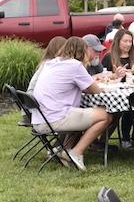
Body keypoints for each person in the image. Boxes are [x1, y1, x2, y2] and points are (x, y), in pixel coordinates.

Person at [30, 37, 114, 170]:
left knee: (81, 112)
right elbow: (95, 90)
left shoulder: (52, 63)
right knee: (105, 115)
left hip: (40, 118)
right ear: (83, 52)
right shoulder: (75, 65)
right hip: (54, 118)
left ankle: (64, 150)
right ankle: (76, 153)